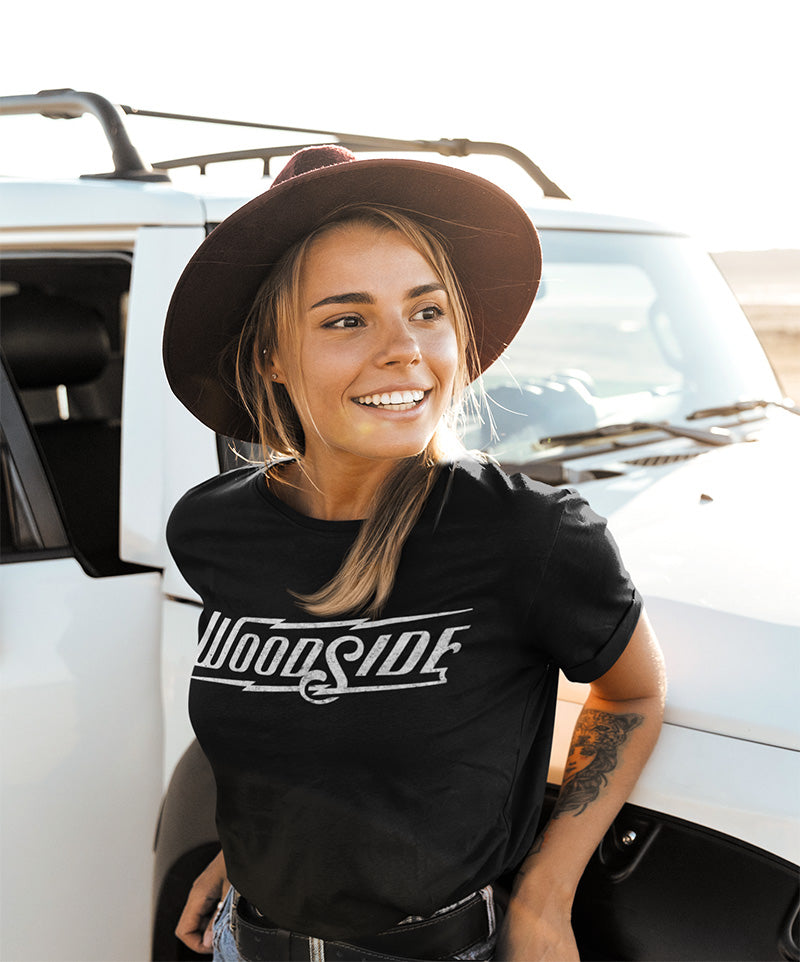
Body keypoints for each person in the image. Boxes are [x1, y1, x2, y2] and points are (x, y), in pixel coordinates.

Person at [163, 145, 666, 962]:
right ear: (272, 357)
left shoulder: (528, 537)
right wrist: (252, 855)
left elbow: (634, 696)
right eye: (346, 318)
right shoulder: (212, 530)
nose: (404, 350)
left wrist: (545, 897)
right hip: (240, 943)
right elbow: (286, 723)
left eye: (426, 311)